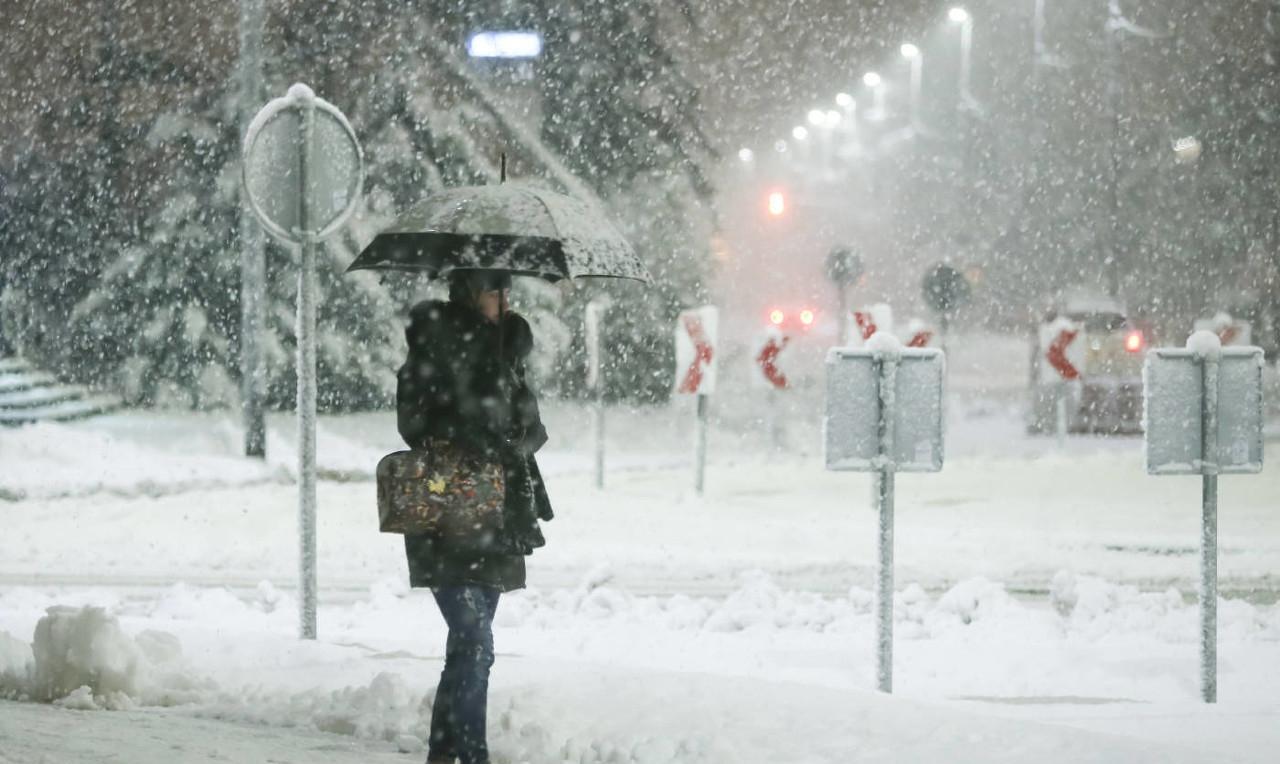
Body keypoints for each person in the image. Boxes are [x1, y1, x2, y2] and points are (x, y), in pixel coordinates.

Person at [396, 269, 553, 764]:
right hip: (448, 505)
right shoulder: (435, 348)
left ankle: (443, 755)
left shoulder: (509, 352)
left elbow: (533, 429)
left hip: (501, 511)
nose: (503, 299)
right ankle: (473, 755)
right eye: (493, 290)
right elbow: (412, 422)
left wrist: (514, 435)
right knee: (475, 640)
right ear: (469, 292)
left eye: (507, 290)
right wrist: (468, 421)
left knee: (468, 646)